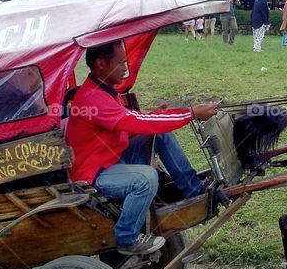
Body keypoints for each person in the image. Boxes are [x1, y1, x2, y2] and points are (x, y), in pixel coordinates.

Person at [66, 41, 219, 255]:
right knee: (145, 179)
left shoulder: (105, 91)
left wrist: (158, 116)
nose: (125, 69)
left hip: (112, 159)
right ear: (101, 63)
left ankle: (194, 191)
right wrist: (191, 113)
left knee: (160, 132)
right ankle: (127, 238)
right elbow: (137, 123)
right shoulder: (93, 98)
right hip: (93, 173)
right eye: (120, 63)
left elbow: (134, 124)